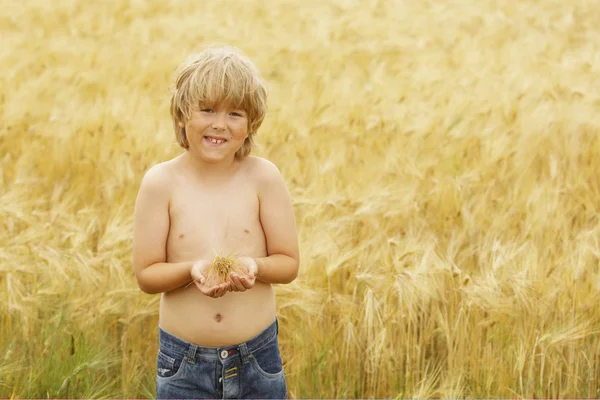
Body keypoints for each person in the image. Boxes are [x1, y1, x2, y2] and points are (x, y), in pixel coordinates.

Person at [132, 45, 300, 399]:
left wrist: (253, 265)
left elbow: (288, 264)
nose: (219, 124)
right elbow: (147, 275)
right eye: (206, 109)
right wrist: (192, 270)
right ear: (181, 114)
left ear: (252, 122)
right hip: (183, 365)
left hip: (258, 359)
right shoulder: (161, 183)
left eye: (235, 113)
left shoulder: (264, 178)